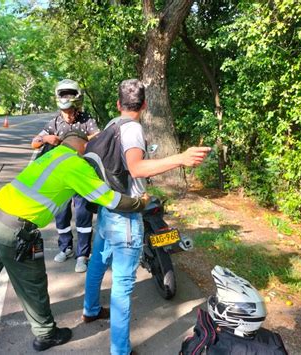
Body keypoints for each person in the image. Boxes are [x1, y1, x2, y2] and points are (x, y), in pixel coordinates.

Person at [0, 130, 150, 352]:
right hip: (15, 230)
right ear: (82, 146)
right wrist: (141, 203)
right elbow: (109, 199)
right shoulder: (76, 164)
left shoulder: (51, 154)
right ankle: (46, 334)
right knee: (32, 283)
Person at [82, 79, 211, 355]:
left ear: (118, 104)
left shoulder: (110, 126)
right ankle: (120, 351)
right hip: (126, 215)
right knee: (123, 284)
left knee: (98, 261)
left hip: (107, 206)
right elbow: (137, 168)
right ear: (145, 105)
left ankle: (90, 310)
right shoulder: (133, 130)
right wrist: (182, 158)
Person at [31, 79, 100, 273]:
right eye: (65, 112)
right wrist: (46, 138)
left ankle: (83, 255)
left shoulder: (87, 120)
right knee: (61, 215)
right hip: (60, 177)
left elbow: (98, 138)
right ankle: (66, 247)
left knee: (83, 215)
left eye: (71, 112)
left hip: (81, 175)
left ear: (77, 106)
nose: (68, 116)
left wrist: (86, 143)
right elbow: (34, 143)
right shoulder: (53, 122)